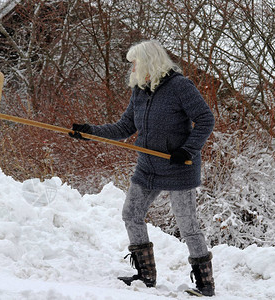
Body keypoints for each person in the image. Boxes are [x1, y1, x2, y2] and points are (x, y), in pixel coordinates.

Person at [69, 40, 216, 296]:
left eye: (135, 63)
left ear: (150, 61)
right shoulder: (139, 90)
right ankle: (145, 275)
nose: (132, 68)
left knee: (187, 225)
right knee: (131, 214)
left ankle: (205, 284)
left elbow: (205, 119)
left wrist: (187, 150)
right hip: (148, 168)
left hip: (179, 167)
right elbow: (125, 127)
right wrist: (90, 132)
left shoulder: (180, 86)